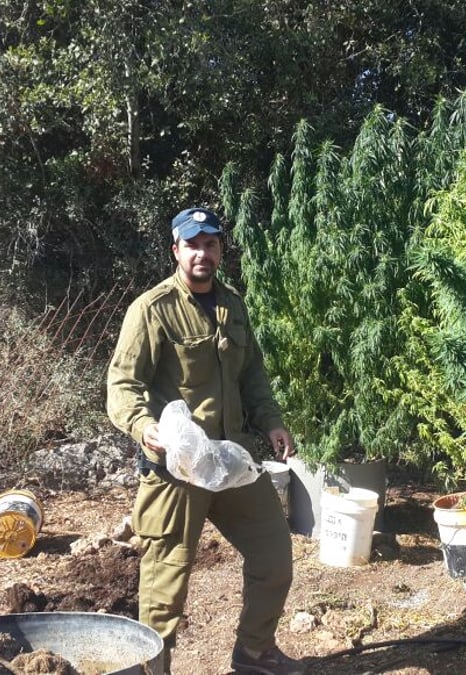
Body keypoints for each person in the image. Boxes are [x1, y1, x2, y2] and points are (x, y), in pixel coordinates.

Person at [106, 206, 305, 675]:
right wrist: (142, 426)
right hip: (175, 469)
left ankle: (254, 652)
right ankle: (152, 670)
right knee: (164, 588)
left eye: (210, 244)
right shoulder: (152, 310)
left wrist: (271, 421)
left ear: (220, 250)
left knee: (274, 555)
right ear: (176, 250)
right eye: (192, 244)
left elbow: (251, 374)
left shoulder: (231, 305)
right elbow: (122, 384)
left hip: (230, 461)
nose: (202, 253)